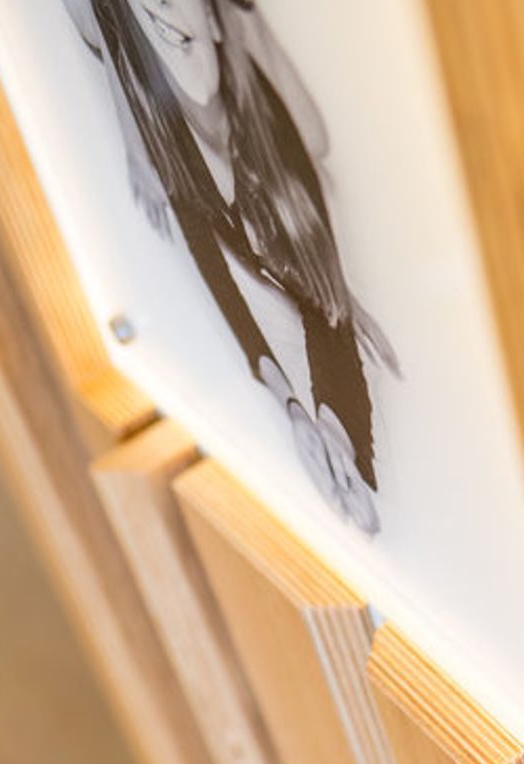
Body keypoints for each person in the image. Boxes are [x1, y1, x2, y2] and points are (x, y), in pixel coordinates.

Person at [63, 0, 397, 533]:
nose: (164, 13)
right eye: (149, 16)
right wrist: (290, 403)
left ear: (218, 22)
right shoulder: (164, 130)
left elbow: (320, 300)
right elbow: (216, 272)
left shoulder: (272, 135)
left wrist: (327, 425)